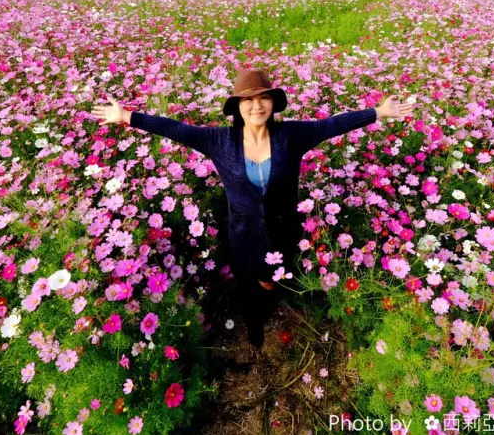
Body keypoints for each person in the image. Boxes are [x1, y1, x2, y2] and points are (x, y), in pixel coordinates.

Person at [91, 70, 413, 349]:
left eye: (263, 98)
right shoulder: (219, 141)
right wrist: (127, 116)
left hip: (284, 230)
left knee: (278, 278)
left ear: (273, 103)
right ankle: (255, 327)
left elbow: (333, 125)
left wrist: (379, 112)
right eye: (248, 100)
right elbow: (177, 129)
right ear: (237, 107)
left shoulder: (292, 135)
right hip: (244, 235)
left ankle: (276, 298)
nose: (257, 105)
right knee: (249, 286)